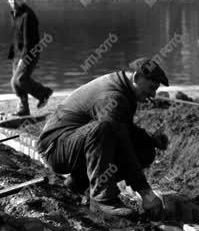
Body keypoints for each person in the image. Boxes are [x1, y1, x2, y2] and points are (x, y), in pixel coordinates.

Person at [37, 57, 170, 220]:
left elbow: (124, 129)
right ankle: (104, 200)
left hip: (73, 142)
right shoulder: (113, 97)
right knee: (103, 130)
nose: (152, 94)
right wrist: (146, 192)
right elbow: (121, 143)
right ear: (136, 77)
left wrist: (150, 139)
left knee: (144, 150)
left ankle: (79, 183)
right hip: (55, 147)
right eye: (151, 88)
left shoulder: (124, 91)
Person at [7, 0, 52, 116]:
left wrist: (23, 57)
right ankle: (24, 109)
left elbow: (29, 39)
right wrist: (13, 53)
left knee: (20, 80)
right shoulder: (15, 13)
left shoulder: (28, 15)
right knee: (15, 83)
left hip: (29, 53)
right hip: (17, 53)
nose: (14, 1)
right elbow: (16, 35)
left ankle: (44, 93)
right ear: (8, 0)